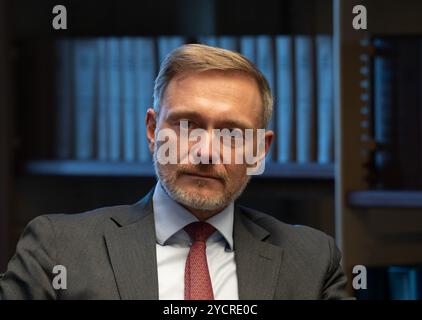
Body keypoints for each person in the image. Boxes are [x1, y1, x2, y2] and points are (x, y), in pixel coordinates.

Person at [0, 44, 351, 300]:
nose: (205, 152)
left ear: (259, 150)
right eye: (187, 125)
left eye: (234, 133)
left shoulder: (313, 261)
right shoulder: (58, 249)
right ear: (153, 131)